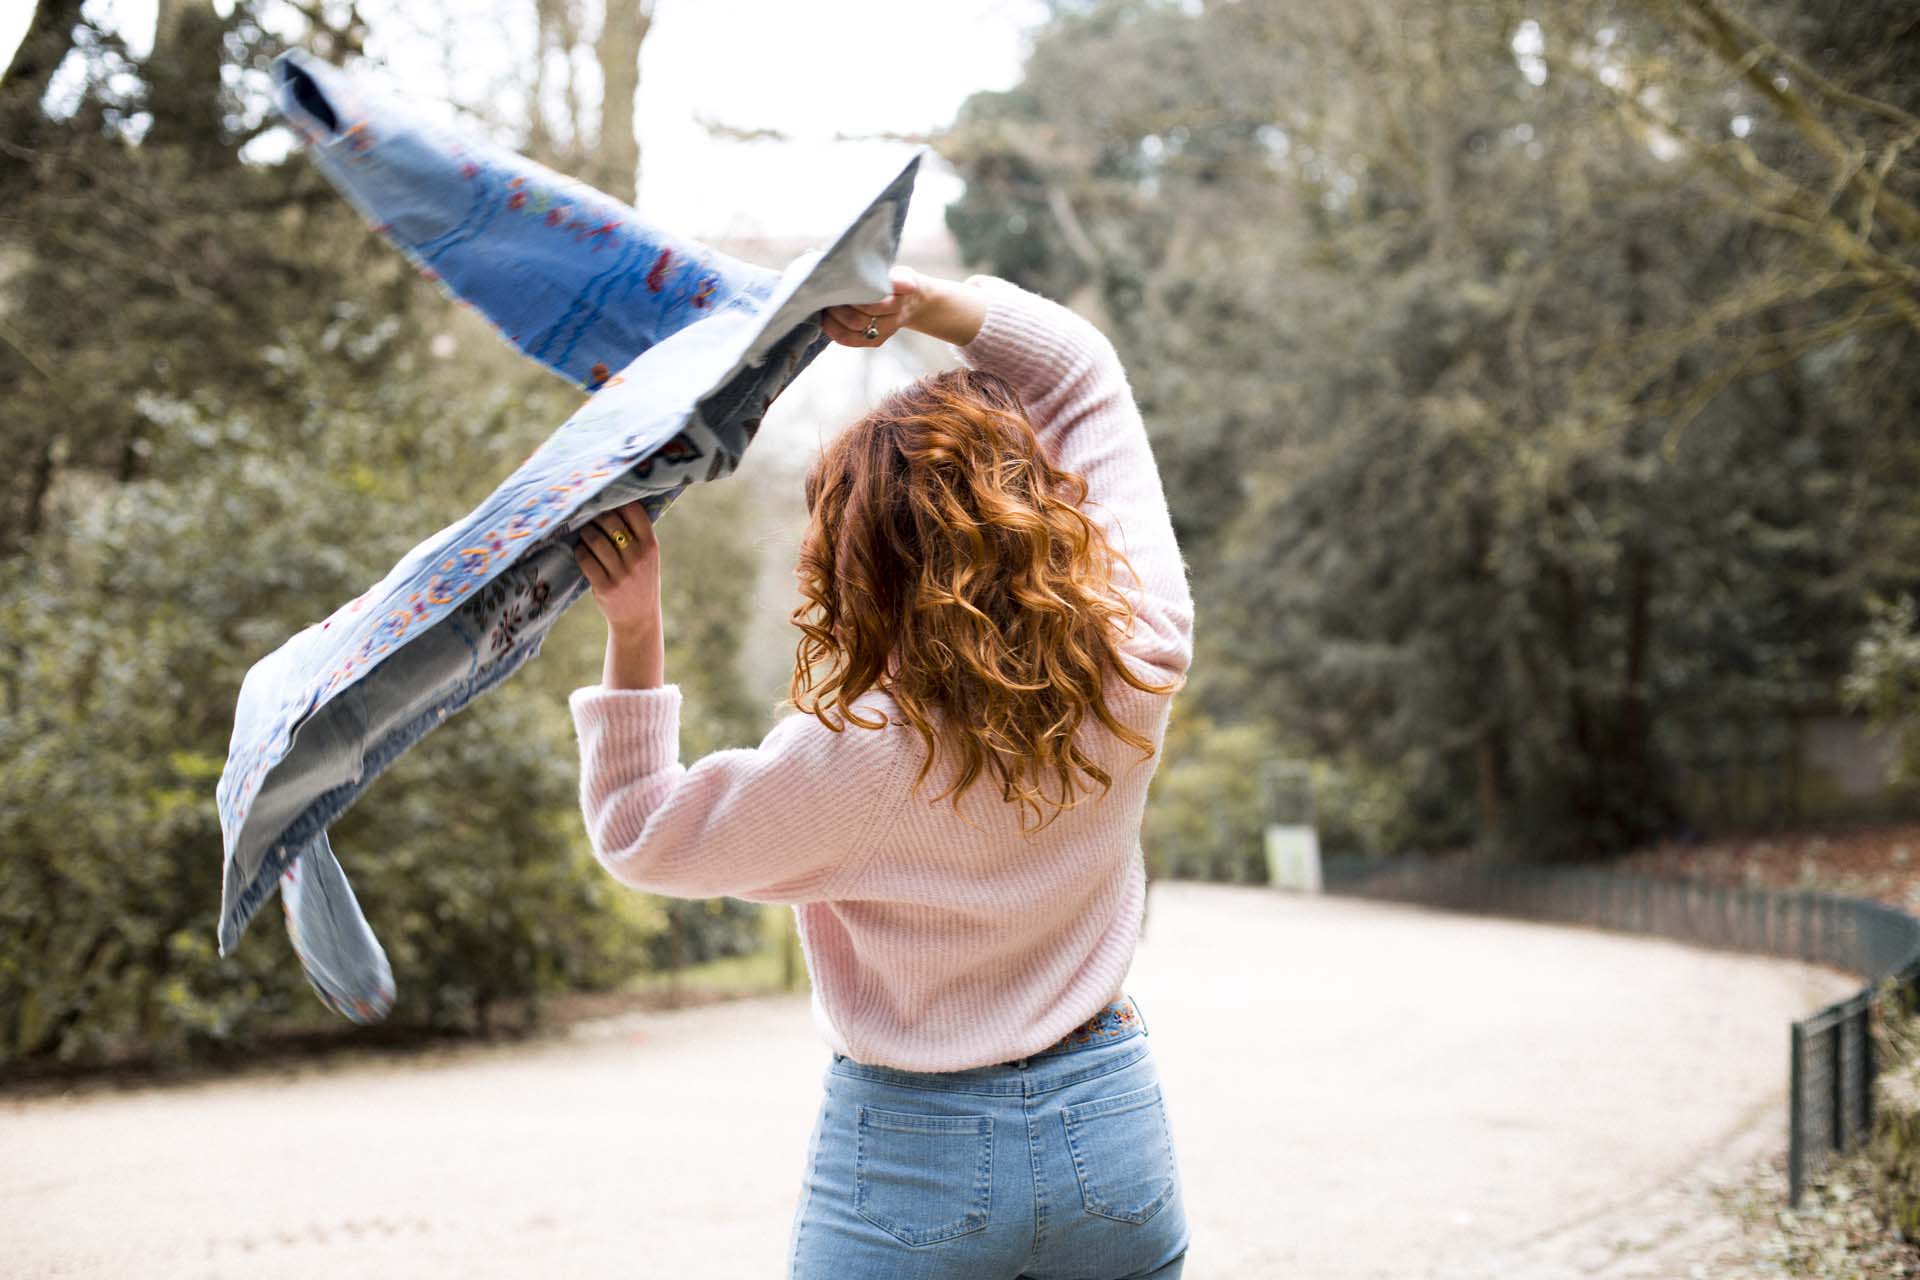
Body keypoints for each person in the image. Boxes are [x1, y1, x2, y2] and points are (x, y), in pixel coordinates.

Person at [568, 266, 1195, 1279]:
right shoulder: (1139, 651)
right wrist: (928, 305)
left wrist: (635, 629)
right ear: (1041, 507)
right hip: (1109, 1132)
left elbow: (639, 829)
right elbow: (1082, 373)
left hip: (917, 1154)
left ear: (859, 563)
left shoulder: (854, 753)